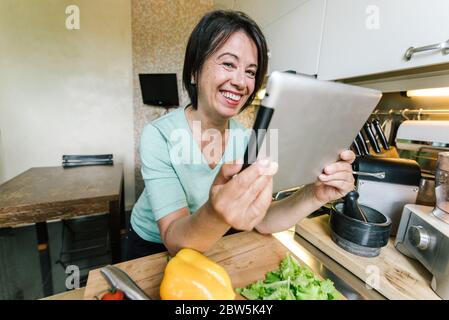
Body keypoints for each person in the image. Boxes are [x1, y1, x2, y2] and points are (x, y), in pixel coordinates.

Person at [126, 10, 355, 260]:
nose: (240, 82)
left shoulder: (249, 141)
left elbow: (261, 221)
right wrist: (216, 212)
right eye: (228, 64)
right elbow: (174, 239)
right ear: (194, 71)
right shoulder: (158, 135)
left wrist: (314, 194)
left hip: (210, 240)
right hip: (151, 249)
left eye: (250, 71)